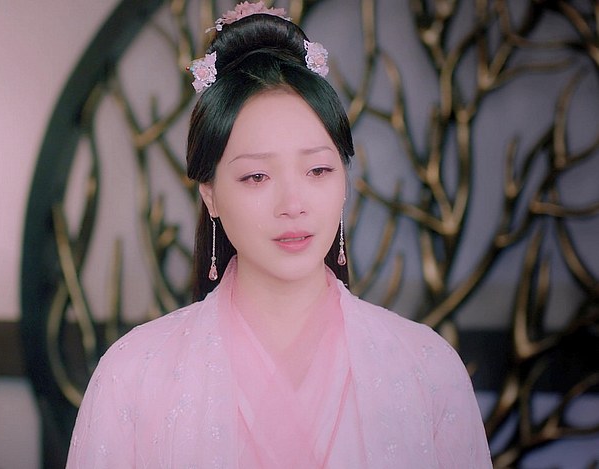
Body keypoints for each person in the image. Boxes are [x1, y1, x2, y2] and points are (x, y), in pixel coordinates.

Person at [66, 2, 491, 467]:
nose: (293, 203)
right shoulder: (133, 374)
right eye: (256, 177)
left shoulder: (427, 368)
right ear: (210, 195)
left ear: (344, 182)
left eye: (318, 170)